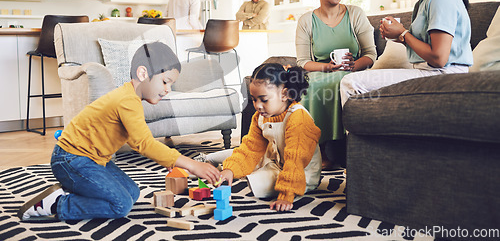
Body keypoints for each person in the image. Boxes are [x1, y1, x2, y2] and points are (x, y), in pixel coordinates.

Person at [18, 42, 221, 221]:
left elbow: (138, 139)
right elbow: (144, 144)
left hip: (92, 159)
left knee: (132, 193)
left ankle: (75, 187)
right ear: (143, 74)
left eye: (171, 84)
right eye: (165, 81)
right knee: (121, 205)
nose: (167, 89)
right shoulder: (127, 101)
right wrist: (191, 164)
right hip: (71, 159)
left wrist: (169, 159)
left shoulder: (130, 98)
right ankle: (58, 204)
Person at [340, 0, 473, 105]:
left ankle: (353, 133)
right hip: (433, 73)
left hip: (442, 76)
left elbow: (439, 58)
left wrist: (403, 33)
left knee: (350, 82)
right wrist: (399, 37)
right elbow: (429, 48)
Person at [296, 0, 376, 169]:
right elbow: (302, 61)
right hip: (323, 72)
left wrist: (353, 66)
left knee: (341, 81)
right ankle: (318, 151)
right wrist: (327, 68)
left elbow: (371, 55)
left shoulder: (355, 14)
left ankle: (336, 150)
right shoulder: (306, 21)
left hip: (353, 71)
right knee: (308, 86)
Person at [220, 63, 321, 212]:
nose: (258, 106)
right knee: (237, 159)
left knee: (257, 182)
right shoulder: (259, 117)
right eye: (254, 99)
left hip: (300, 172)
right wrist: (230, 170)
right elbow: (250, 148)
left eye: (264, 99)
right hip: (276, 162)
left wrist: (286, 194)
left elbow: (295, 160)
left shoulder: (298, 117)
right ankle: (207, 160)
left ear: (285, 94)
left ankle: (288, 185)